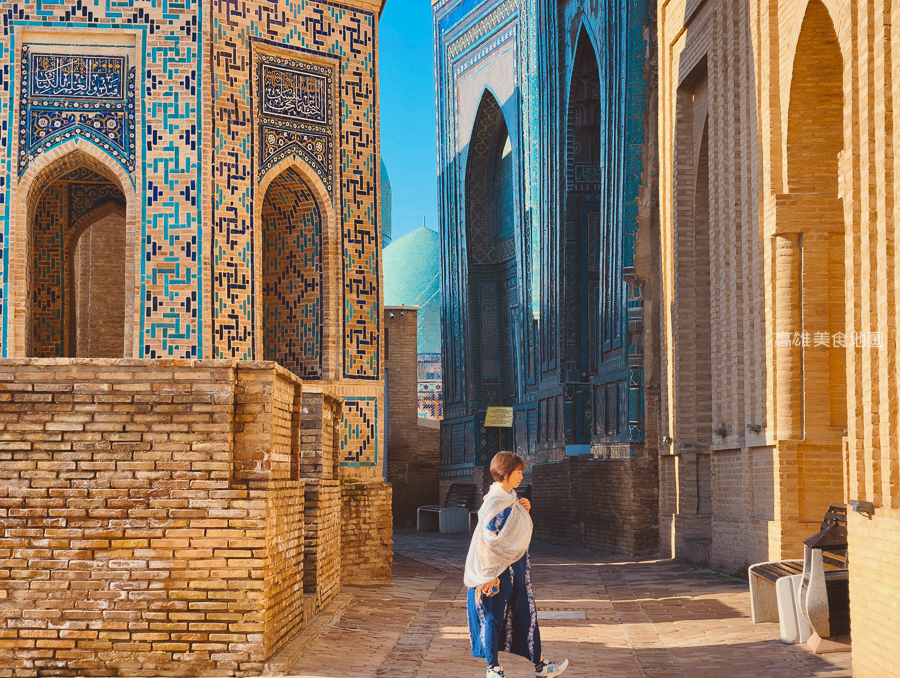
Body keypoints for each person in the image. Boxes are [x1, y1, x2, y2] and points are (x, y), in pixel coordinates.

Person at [464, 451, 570, 678]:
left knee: (526, 613)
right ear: (505, 473)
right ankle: (492, 668)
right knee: (494, 616)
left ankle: (540, 665)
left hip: (518, 567)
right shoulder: (493, 504)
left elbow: (513, 530)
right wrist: (488, 575)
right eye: (518, 472)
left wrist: (524, 511)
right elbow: (488, 543)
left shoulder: (510, 498)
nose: (522, 476)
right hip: (497, 570)